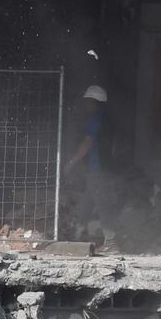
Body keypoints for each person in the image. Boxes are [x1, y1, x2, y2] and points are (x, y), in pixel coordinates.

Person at [66, 85, 111, 231]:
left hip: (98, 168)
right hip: (104, 167)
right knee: (88, 200)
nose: (85, 105)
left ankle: (111, 241)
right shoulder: (107, 118)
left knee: (101, 203)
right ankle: (77, 231)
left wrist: (71, 164)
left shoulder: (96, 118)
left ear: (94, 101)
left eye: (87, 101)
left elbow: (87, 143)